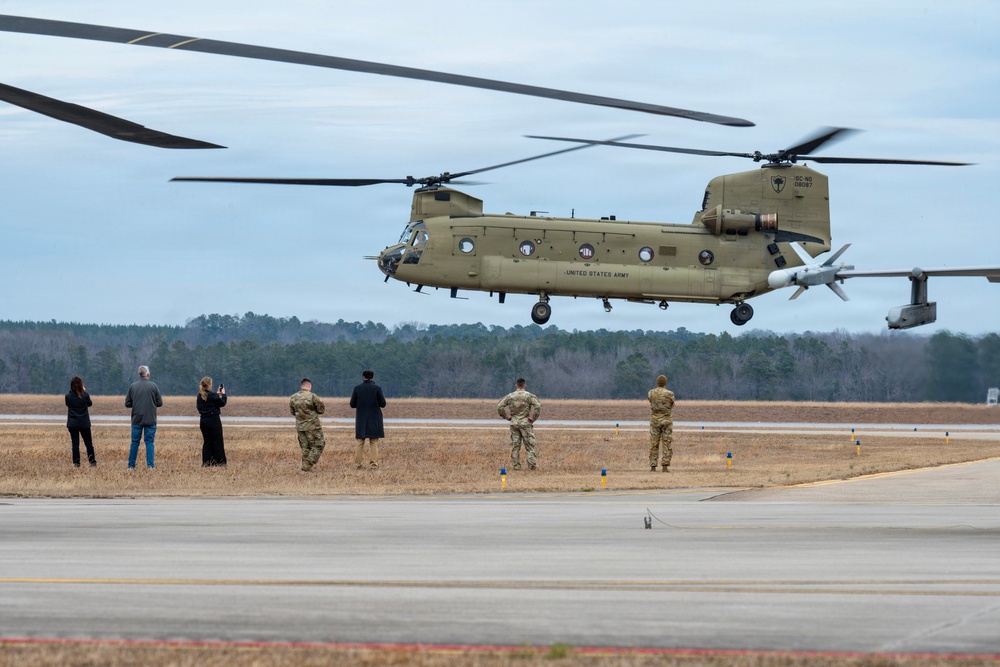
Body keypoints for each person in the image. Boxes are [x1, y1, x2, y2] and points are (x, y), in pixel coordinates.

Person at [496, 378, 541, 470]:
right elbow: (537, 406)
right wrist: (533, 418)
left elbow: (500, 406)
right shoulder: (529, 396)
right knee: (529, 445)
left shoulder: (510, 396)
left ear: (516, 385)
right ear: (524, 385)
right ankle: (532, 465)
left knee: (515, 446)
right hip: (525, 423)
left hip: (514, 423)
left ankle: (516, 466)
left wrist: (506, 416)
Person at [125, 365, 163, 469]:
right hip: (150, 419)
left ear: (139, 375)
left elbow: (127, 404)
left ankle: (131, 466)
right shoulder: (153, 386)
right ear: (148, 374)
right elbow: (160, 403)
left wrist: (137, 403)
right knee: (149, 442)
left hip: (137, 418)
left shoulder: (133, 386)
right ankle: (150, 466)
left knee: (134, 442)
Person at [350, 369, 386, 470]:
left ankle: (358, 465)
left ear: (363, 377)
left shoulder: (357, 388)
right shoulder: (377, 388)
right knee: (373, 442)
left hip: (361, 418)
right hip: (374, 418)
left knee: (360, 442)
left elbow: (352, 404)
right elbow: (383, 404)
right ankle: (373, 465)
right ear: (372, 377)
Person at [289, 377, 326, 472]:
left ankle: (307, 469)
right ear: (309, 386)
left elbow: (292, 412)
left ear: (301, 386)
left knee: (305, 448)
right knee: (319, 445)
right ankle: (307, 465)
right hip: (313, 426)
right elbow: (321, 410)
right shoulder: (313, 396)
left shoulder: (293, 397)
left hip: (300, 427)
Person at [65, 375, 97, 467]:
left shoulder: (68, 396)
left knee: (75, 444)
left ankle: (76, 462)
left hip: (73, 423)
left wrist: (71, 391)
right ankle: (92, 461)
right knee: (88, 443)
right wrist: (84, 391)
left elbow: (67, 403)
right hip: (84, 423)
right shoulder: (85, 396)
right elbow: (90, 404)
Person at [197, 376, 228, 467]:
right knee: (217, 441)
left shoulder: (200, 395)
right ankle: (220, 462)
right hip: (213, 420)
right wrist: (223, 394)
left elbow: (210, 399)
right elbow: (222, 403)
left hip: (203, 421)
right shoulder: (212, 395)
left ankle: (207, 462)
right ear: (209, 385)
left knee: (207, 442)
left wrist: (216, 393)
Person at [648, 374, 675, 472]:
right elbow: (672, 405)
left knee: (654, 443)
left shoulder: (651, 393)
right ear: (665, 383)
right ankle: (665, 466)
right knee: (666, 443)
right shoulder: (670, 394)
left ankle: (653, 466)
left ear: (657, 382)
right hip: (666, 421)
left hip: (654, 420)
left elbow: (651, 402)